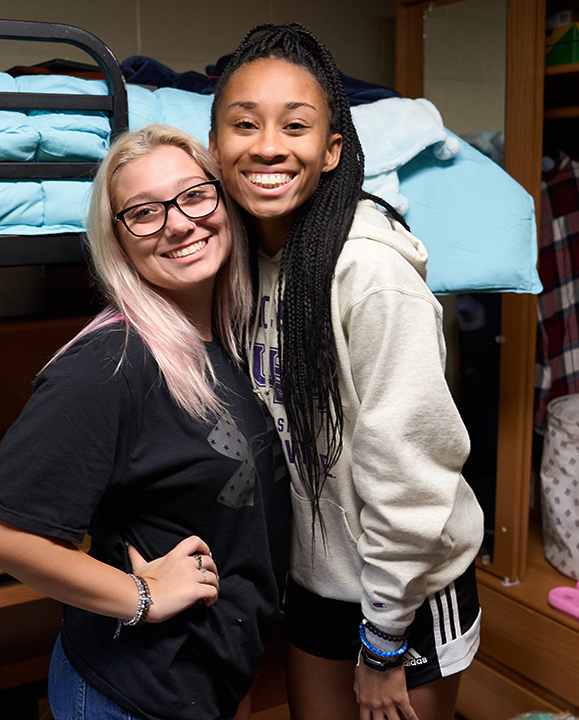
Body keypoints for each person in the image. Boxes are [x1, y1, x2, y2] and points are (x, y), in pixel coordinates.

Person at [0, 124, 290, 720]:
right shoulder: (111, 364)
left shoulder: (227, 339)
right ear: (118, 240)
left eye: (194, 195)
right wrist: (142, 596)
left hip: (207, 682)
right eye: (144, 212)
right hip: (133, 695)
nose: (180, 223)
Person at [207, 24, 485, 720]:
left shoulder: (369, 274)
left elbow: (412, 477)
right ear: (216, 146)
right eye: (245, 124)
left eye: (294, 126)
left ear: (332, 150)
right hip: (318, 583)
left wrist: (386, 642)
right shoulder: (236, 268)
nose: (268, 145)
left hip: (408, 590)